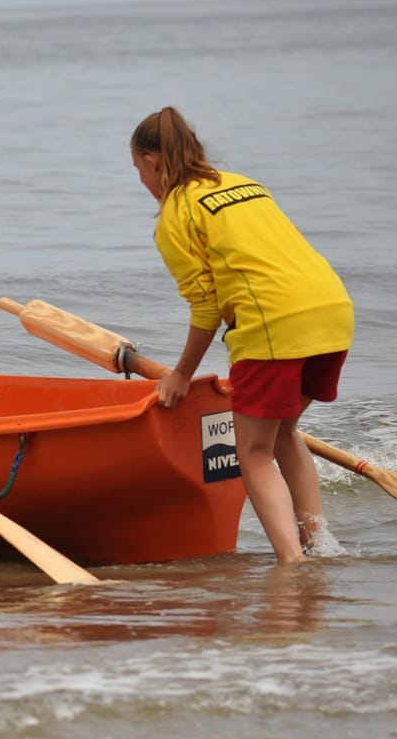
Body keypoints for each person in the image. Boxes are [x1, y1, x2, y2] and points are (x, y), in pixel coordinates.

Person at [130, 106, 353, 564]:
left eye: (138, 169)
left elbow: (206, 308)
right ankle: (319, 546)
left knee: (251, 452)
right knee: (284, 430)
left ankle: (292, 563)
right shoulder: (243, 183)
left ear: (153, 161)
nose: (141, 182)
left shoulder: (176, 215)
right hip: (332, 311)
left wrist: (180, 375)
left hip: (273, 323)